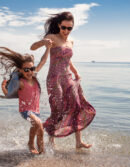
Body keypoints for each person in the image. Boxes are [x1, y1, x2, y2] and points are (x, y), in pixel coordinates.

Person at [30, 11, 96, 149]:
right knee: (58, 110)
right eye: (63, 27)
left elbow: (68, 60)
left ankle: (78, 142)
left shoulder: (71, 41)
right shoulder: (52, 37)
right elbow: (33, 47)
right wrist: (43, 42)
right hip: (54, 79)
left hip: (68, 78)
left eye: (69, 28)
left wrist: (76, 72)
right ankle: (50, 140)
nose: (66, 31)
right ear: (59, 25)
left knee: (77, 107)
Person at [0, 46, 51, 154]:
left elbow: (43, 61)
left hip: (36, 110)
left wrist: (48, 48)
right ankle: (30, 143)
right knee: (38, 124)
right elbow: (9, 94)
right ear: (20, 70)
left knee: (40, 129)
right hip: (25, 110)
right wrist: (3, 89)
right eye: (26, 70)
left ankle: (41, 153)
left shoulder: (34, 77)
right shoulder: (20, 82)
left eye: (32, 68)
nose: (29, 72)